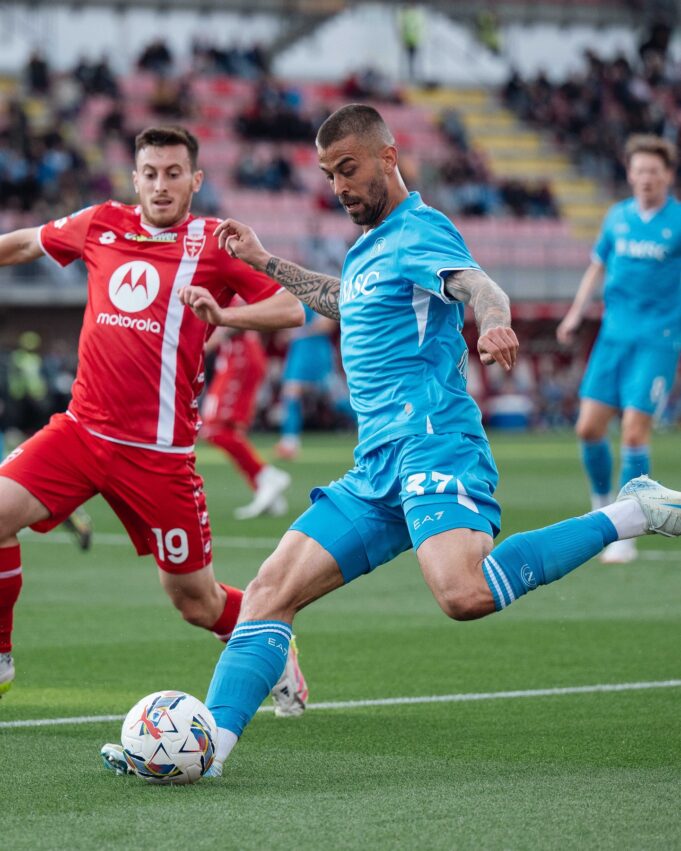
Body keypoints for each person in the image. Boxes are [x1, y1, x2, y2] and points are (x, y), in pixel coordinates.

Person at [193, 104, 681, 777]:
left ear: (388, 157)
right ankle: (204, 751)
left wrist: (492, 322)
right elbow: (349, 299)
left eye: (350, 168)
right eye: (330, 173)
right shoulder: (370, 246)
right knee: (271, 586)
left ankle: (634, 510)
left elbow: (476, 284)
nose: (338, 185)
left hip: (432, 444)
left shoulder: (420, 229)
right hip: (375, 467)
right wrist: (265, 261)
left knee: (463, 594)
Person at [0, 126, 309, 727]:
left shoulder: (216, 243)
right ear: (135, 177)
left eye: (174, 173)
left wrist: (226, 313)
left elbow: (291, 307)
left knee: (197, 603)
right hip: (80, 433)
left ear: (195, 180)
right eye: (150, 173)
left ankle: (276, 649)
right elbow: (23, 245)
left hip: (159, 456)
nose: (161, 185)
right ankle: (1, 655)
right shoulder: (100, 224)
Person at [557, 134, 681, 564]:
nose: (646, 178)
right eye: (640, 170)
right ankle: (601, 505)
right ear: (630, 174)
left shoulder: (678, 222)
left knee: (633, 431)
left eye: (654, 171)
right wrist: (575, 314)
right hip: (612, 339)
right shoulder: (617, 217)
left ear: (668, 175)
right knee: (588, 428)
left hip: (657, 342)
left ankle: (626, 529)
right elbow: (597, 267)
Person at [201, 309, 291, 519]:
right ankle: (266, 492)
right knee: (229, 431)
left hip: (239, 359)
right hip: (236, 357)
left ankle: (266, 476)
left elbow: (242, 315)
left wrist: (211, 341)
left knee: (213, 430)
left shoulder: (228, 284)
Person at [275, 304, 337, 460]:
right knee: (290, 394)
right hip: (299, 350)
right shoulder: (293, 293)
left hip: (314, 350)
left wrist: (297, 333)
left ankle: (372, 426)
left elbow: (326, 325)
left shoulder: (316, 293)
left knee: (336, 397)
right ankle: (289, 442)